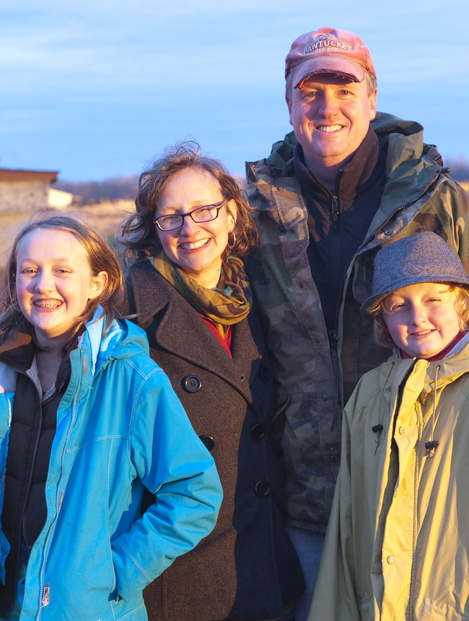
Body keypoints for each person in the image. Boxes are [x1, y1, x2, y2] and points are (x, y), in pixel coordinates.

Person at [243, 26, 469, 617]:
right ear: (289, 102)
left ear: (371, 95)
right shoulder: (255, 208)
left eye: (344, 88)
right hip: (304, 497)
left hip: (422, 492)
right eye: (310, 91)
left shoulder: (433, 199)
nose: (327, 107)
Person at [0, 215, 222, 621]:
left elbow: (194, 494)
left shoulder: (131, 379)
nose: (43, 284)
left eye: (62, 270)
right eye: (29, 270)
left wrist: (116, 571)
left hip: (87, 609)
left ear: (95, 284)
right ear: (14, 283)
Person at [308, 232, 469, 621]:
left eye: (434, 299)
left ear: (462, 303)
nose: (417, 317)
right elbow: (347, 528)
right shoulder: (369, 394)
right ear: (382, 319)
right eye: (398, 306)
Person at [119, 142, 304, 621]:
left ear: (231, 215)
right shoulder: (127, 311)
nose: (190, 228)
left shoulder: (253, 298)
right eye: (172, 217)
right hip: (179, 573)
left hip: (259, 556)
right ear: (153, 229)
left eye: (205, 210)